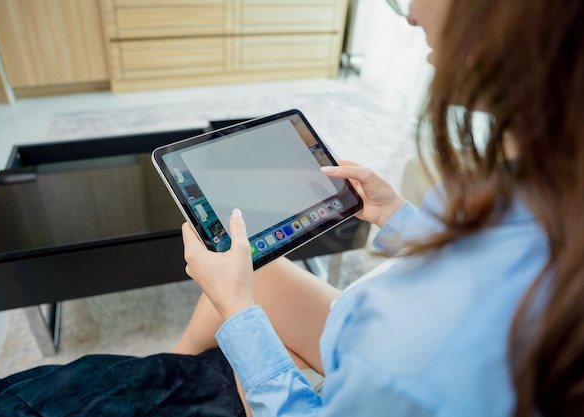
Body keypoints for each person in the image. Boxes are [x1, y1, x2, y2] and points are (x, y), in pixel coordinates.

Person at [172, 0, 584, 416]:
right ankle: (172, 367)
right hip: (370, 337)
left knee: (235, 288)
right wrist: (395, 216)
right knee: (261, 272)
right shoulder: (548, 183)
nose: (409, 12)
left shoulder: (404, 368)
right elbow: (474, 254)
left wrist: (238, 313)